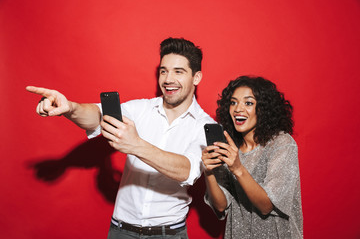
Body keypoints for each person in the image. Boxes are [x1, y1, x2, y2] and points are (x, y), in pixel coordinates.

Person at [26, 37, 215, 239]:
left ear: (196, 78)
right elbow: (97, 116)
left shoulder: (206, 126)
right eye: (163, 71)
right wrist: (71, 108)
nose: (168, 79)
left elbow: (188, 170)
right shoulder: (140, 109)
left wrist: (136, 145)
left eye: (179, 71)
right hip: (121, 231)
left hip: (169, 233)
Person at [201, 76, 303, 238]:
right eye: (233, 102)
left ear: (263, 109)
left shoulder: (281, 144)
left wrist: (238, 168)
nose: (238, 109)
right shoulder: (230, 148)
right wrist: (208, 172)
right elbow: (221, 205)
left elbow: (266, 206)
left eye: (248, 103)